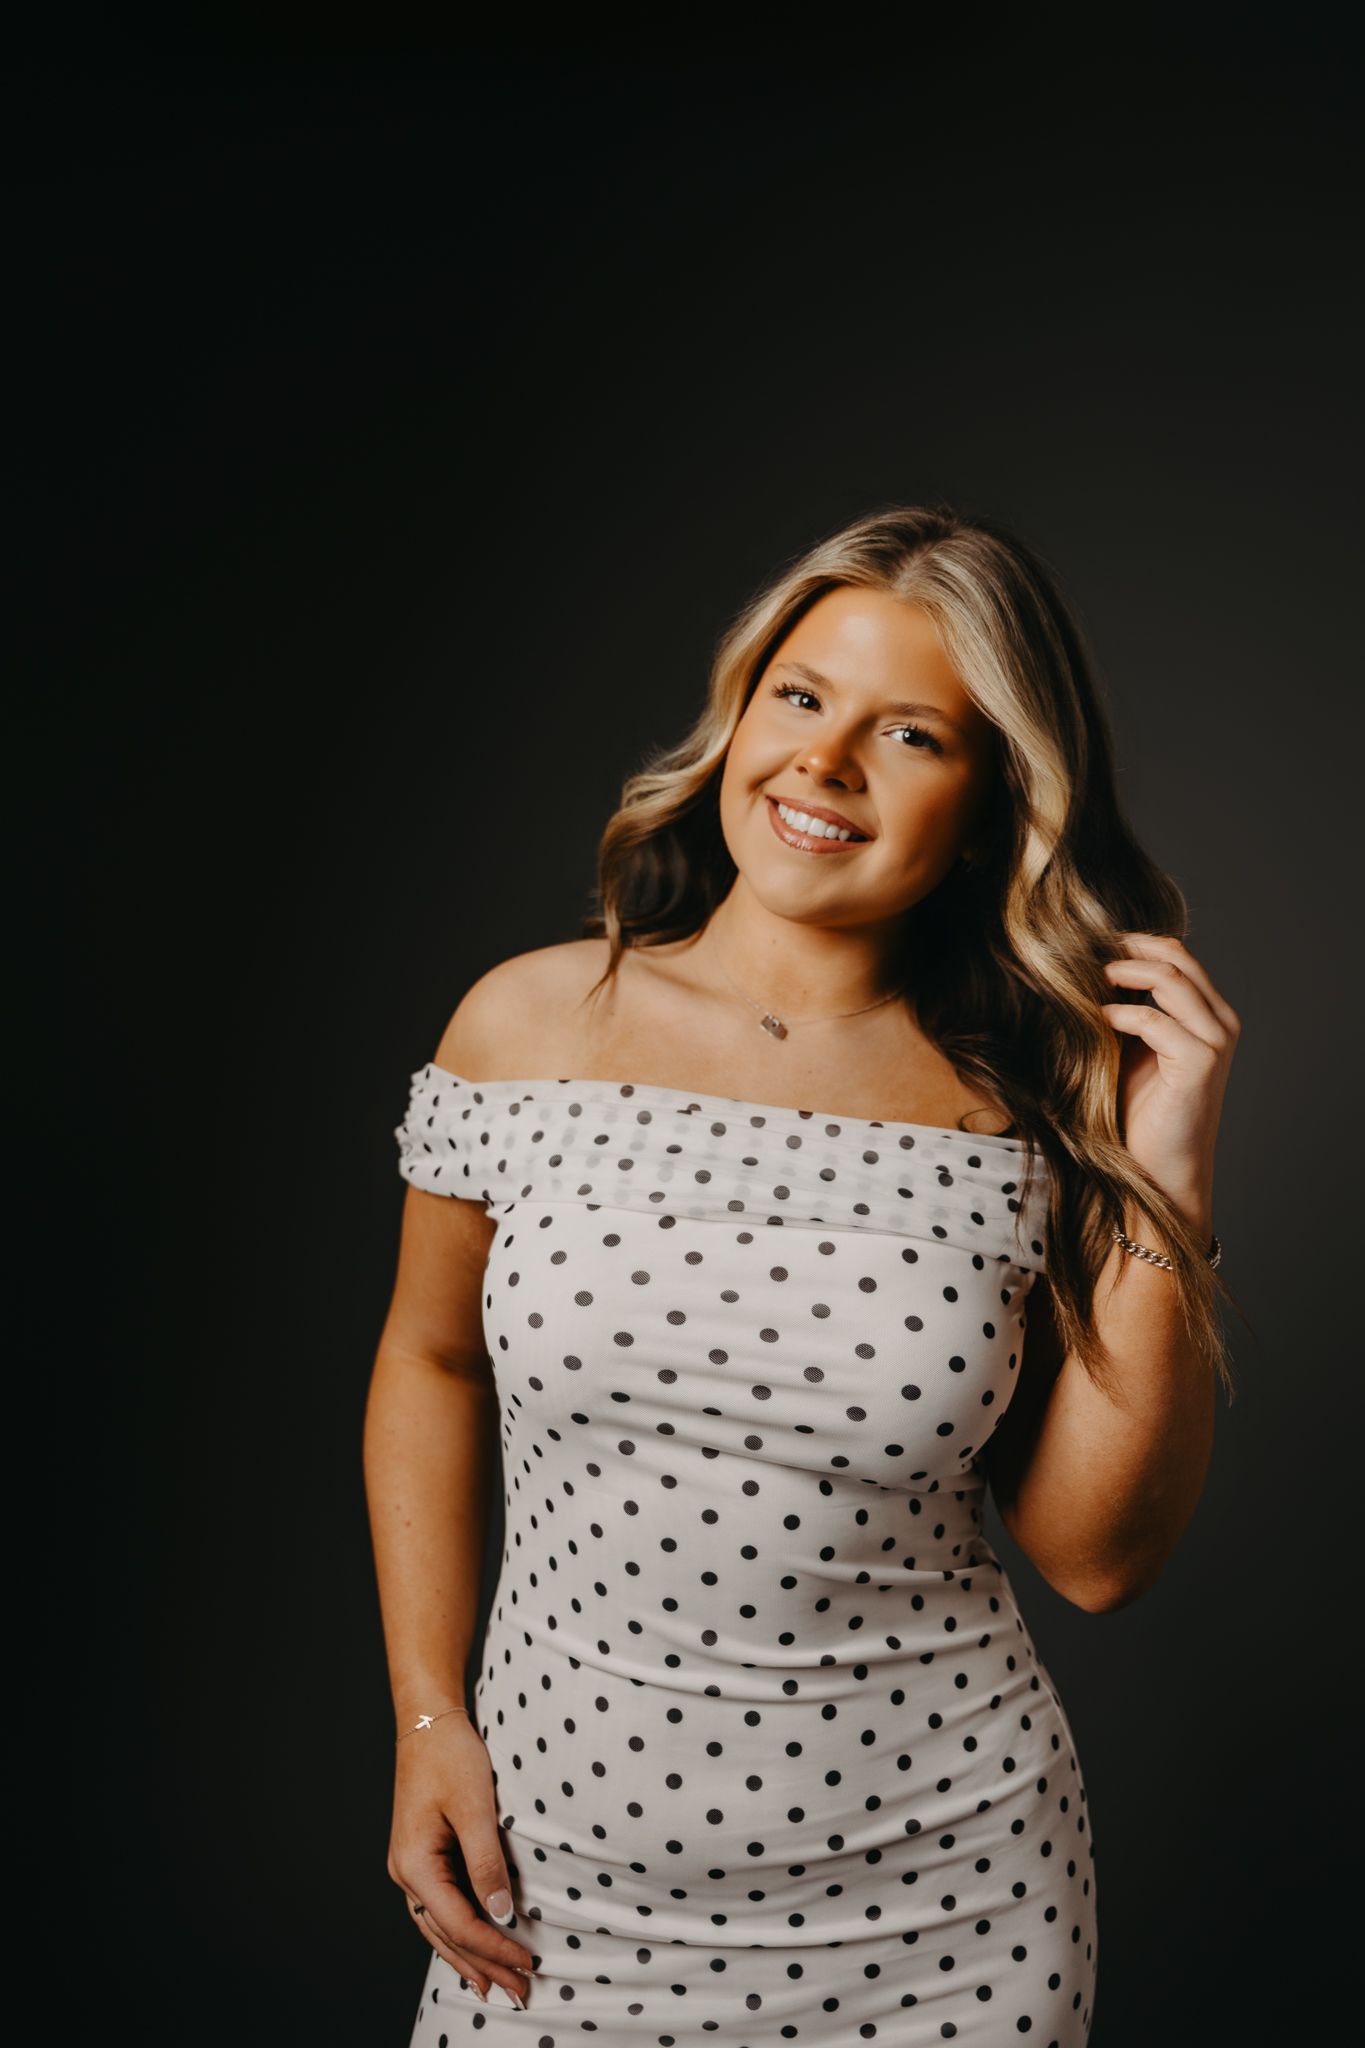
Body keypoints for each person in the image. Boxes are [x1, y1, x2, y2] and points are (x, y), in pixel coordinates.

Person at [365, 503, 1241, 2045]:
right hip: (561, 1891)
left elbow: (1096, 1559)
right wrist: (428, 1718)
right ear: (737, 716)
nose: (824, 765)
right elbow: (430, 1362)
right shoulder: (526, 1028)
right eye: (799, 696)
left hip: (942, 1908)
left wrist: (1161, 1178)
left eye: (909, 734)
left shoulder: (1031, 1099)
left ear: (986, 803)